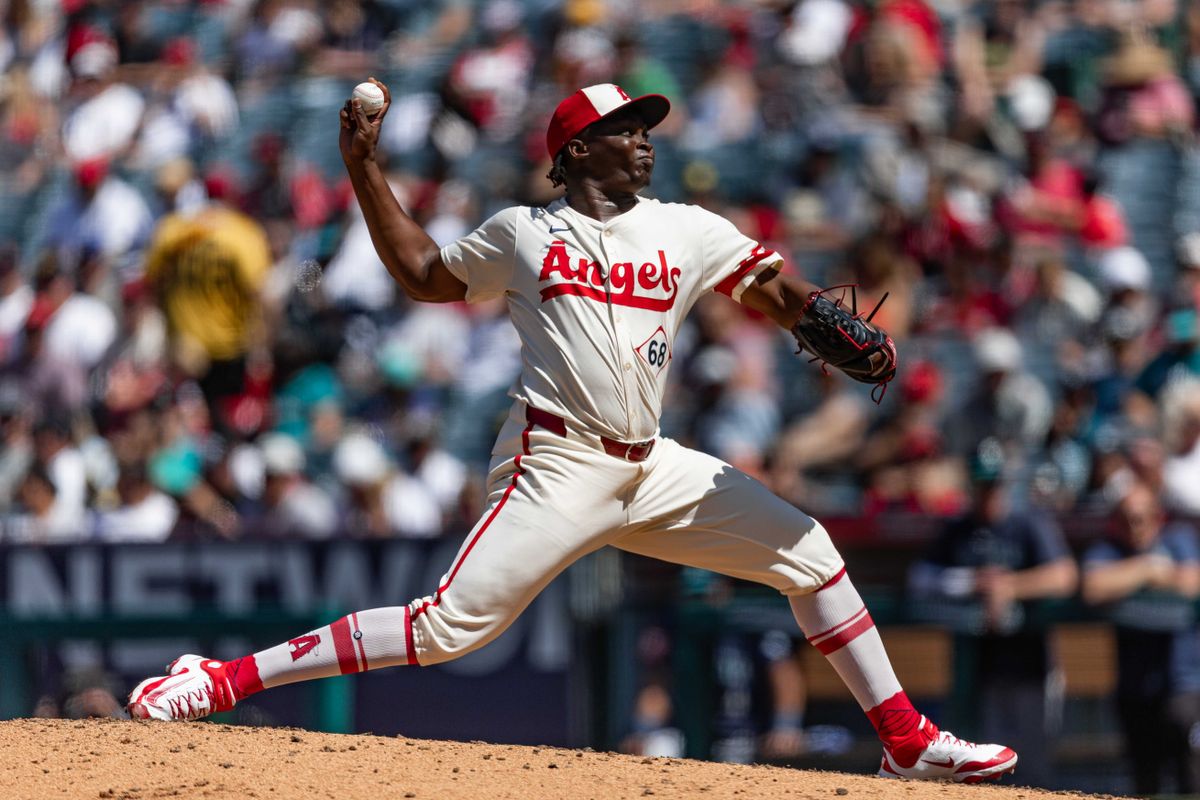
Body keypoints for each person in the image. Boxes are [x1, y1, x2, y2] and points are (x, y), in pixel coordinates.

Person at [126, 80, 1017, 783]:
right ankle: (219, 679)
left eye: (646, 126)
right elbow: (426, 277)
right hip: (555, 462)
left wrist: (819, 320)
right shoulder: (524, 232)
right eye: (626, 127)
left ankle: (906, 740)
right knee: (447, 630)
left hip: (653, 466)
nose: (645, 140)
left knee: (812, 553)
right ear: (577, 149)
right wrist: (365, 170)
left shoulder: (686, 229)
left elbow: (775, 291)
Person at [908, 442, 1078, 787]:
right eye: (983, 485)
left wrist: (1009, 585)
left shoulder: (1027, 522)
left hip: (1031, 661)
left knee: (1034, 765)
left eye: (995, 484)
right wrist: (972, 582)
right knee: (987, 767)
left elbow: (1064, 575)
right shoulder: (960, 527)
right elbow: (920, 578)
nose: (989, 494)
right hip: (977, 664)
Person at [1081, 482, 1200, 795]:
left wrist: (1135, 578)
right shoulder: (1109, 549)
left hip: (1183, 686)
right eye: (1126, 519)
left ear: (1157, 517)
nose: (1134, 526)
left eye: (1141, 518)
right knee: (1144, 780)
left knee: (1191, 775)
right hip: (1135, 688)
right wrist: (1148, 569)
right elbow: (1094, 586)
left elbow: (1191, 582)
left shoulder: (1178, 539)